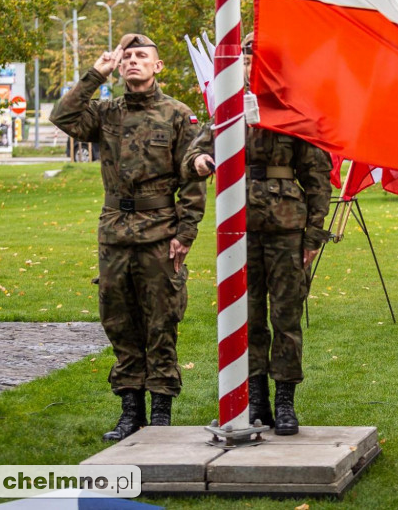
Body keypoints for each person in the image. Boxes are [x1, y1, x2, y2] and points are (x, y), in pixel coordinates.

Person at [51, 33, 206, 441]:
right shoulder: (106, 113)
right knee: (119, 321)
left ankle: (161, 414)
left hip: (160, 231)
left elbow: (192, 179)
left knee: (161, 321)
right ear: (120, 67)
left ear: (158, 66)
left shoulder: (177, 114)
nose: (133, 61)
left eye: (142, 56)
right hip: (115, 232)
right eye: (128, 57)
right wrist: (95, 73)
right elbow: (63, 117)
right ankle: (130, 412)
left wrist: (186, 232)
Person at [183, 32, 332, 436]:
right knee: (246, 318)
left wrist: (313, 236)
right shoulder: (229, 108)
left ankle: (285, 401)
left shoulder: (294, 108)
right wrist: (200, 161)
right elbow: (194, 152)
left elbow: (317, 177)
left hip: (286, 230)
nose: (250, 65)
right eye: (245, 59)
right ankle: (256, 399)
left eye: (257, 58)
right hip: (239, 229)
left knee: (286, 318)